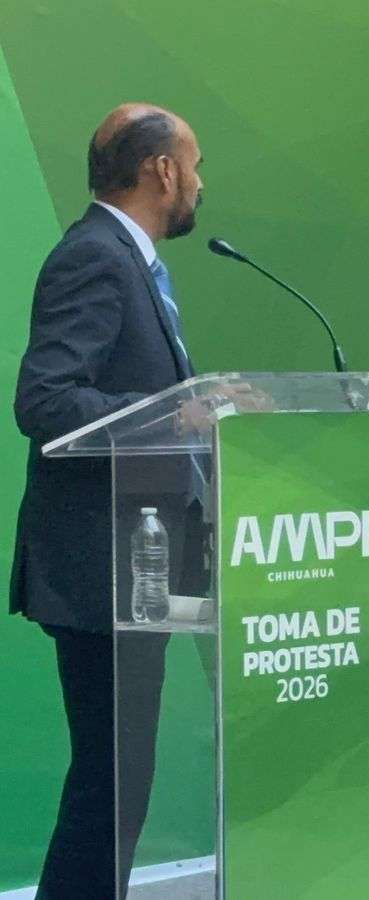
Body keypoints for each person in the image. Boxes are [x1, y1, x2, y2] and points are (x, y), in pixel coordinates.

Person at [10, 104, 206, 899]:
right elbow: (45, 400)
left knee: (120, 776)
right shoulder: (95, 257)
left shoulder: (126, 260)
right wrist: (170, 415)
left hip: (139, 562)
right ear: (163, 170)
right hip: (102, 571)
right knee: (109, 778)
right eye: (195, 165)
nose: (200, 183)